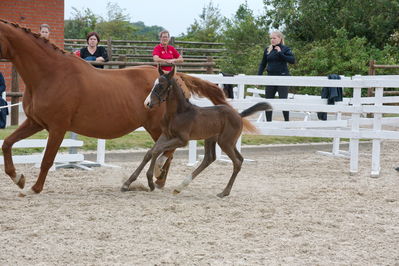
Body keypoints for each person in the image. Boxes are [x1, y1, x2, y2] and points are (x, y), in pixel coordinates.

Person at [258, 31, 295, 122]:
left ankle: (287, 122)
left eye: (274, 38)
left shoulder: (285, 49)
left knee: (283, 101)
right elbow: (263, 64)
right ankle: (268, 123)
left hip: (283, 78)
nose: (272, 40)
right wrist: (258, 77)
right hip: (270, 78)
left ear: (280, 38)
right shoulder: (267, 49)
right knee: (268, 101)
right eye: (271, 38)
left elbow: (292, 60)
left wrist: (280, 53)